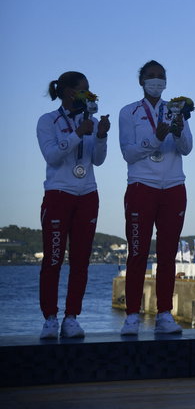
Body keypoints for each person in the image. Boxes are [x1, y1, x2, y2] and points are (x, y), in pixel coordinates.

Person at [119, 60, 193, 335]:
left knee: (167, 255)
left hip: (174, 186)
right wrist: (155, 137)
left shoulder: (176, 110)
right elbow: (128, 153)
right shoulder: (129, 112)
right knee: (137, 252)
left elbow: (186, 148)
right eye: (150, 76)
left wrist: (178, 129)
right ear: (141, 81)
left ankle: (164, 313)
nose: (156, 80)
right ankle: (131, 316)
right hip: (142, 186)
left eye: (160, 76)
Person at [36, 71, 110, 339]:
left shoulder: (88, 120)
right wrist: (78, 133)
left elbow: (99, 160)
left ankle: (71, 317)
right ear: (68, 92)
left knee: (80, 262)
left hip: (88, 194)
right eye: (84, 89)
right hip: (58, 194)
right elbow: (52, 156)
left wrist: (100, 136)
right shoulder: (48, 121)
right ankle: (50, 318)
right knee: (53, 259)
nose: (88, 94)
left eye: (89, 90)